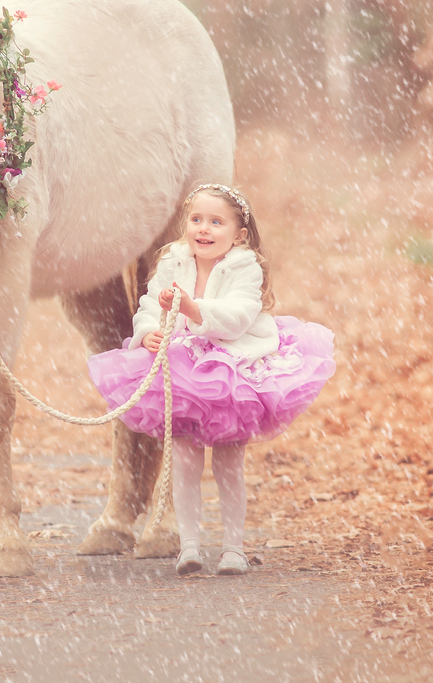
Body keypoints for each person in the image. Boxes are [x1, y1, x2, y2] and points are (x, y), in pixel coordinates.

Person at [88, 183, 335, 576]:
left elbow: (238, 316)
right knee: (185, 459)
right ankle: (189, 545)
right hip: (184, 367)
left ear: (238, 234)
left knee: (229, 462)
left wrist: (192, 307)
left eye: (216, 222)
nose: (203, 229)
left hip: (232, 368)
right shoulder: (173, 260)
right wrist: (149, 329)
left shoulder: (245, 266)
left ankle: (233, 547)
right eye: (196, 219)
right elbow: (151, 302)